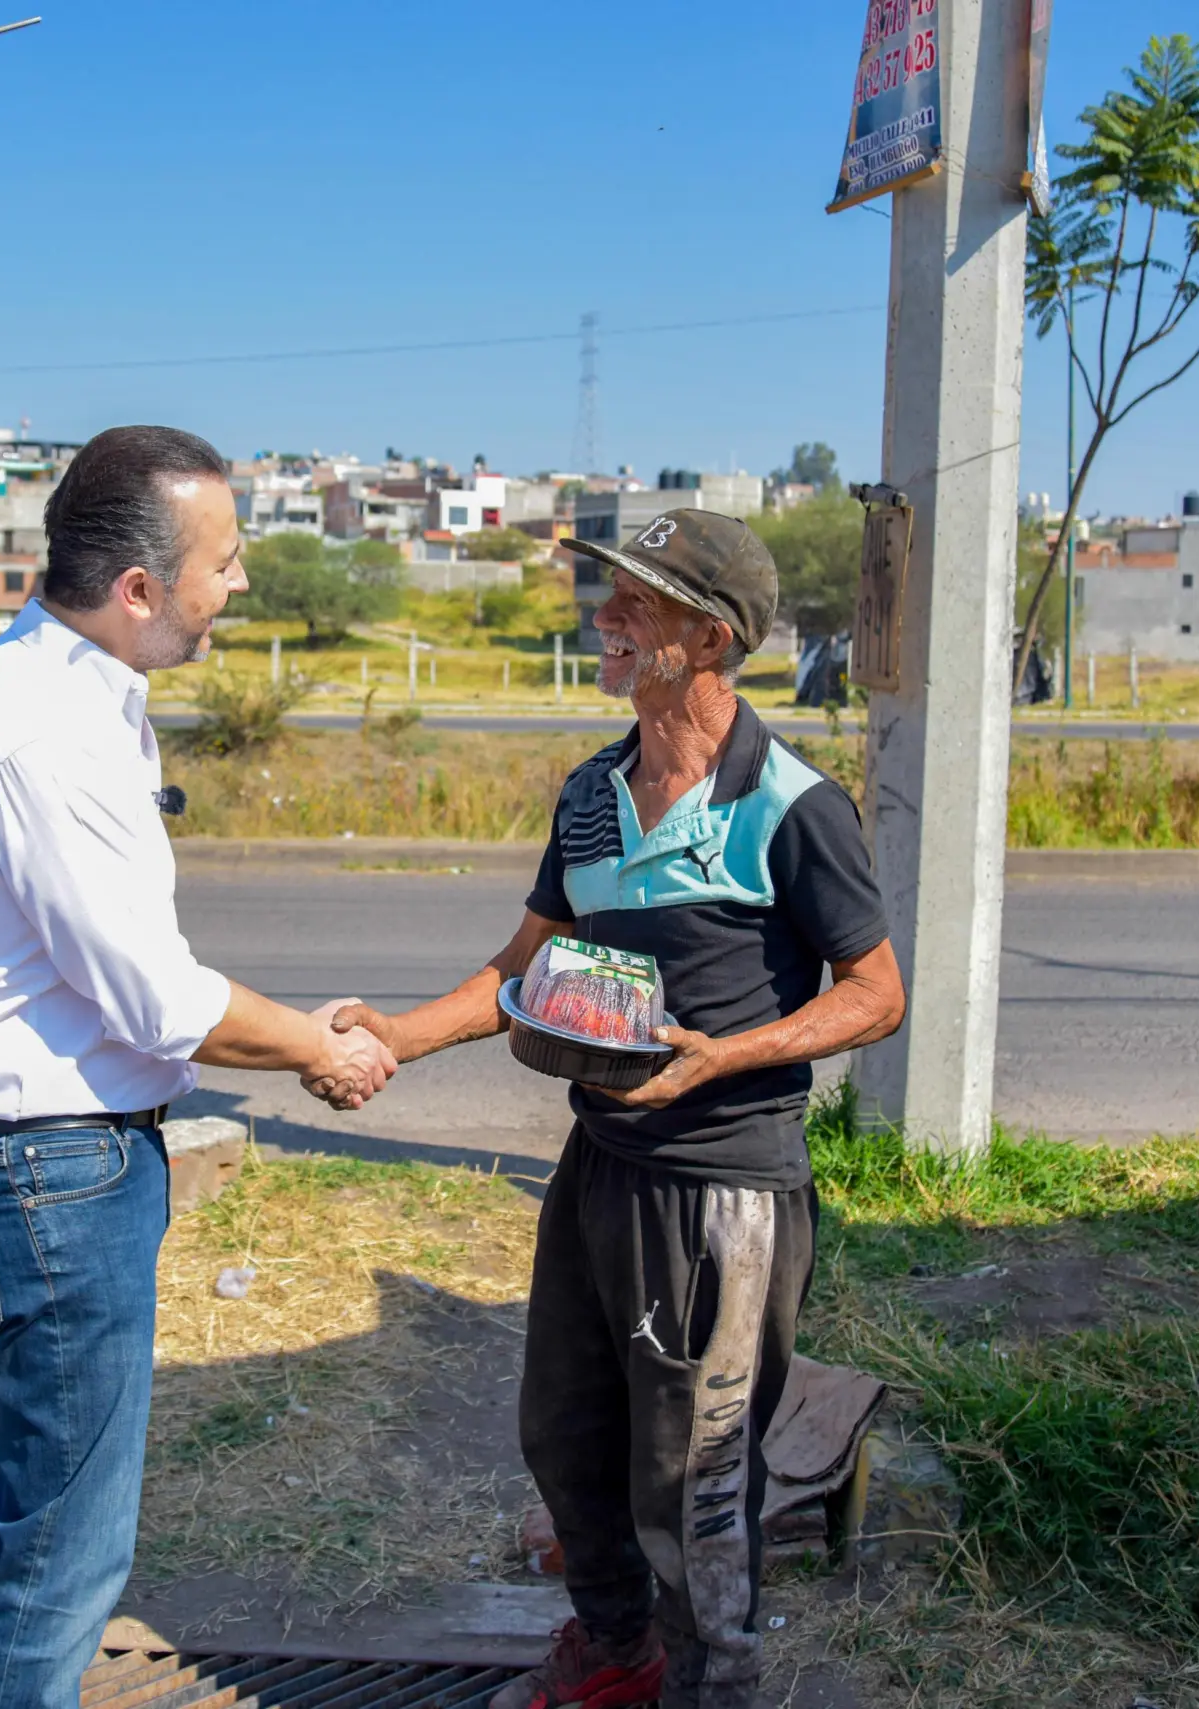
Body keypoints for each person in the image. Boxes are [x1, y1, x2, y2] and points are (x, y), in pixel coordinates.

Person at [332, 509, 905, 1709]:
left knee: (691, 1478)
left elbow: (876, 992)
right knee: (564, 1432)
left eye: (632, 604)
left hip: (725, 1190)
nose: (604, 621)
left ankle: (714, 1679)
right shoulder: (592, 793)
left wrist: (726, 1055)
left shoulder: (794, 806)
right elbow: (521, 971)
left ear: (707, 636)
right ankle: (616, 1647)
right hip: (600, 1167)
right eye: (609, 597)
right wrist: (399, 1036)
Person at [0, 424, 398, 1709]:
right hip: (46, 1171)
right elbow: (154, 997)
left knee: (23, 1510)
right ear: (137, 588)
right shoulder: (45, 727)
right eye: (221, 564)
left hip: (46, 1164)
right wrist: (315, 1046)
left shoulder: (68, 696)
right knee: (63, 1553)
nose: (237, 586)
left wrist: (295, 1029)